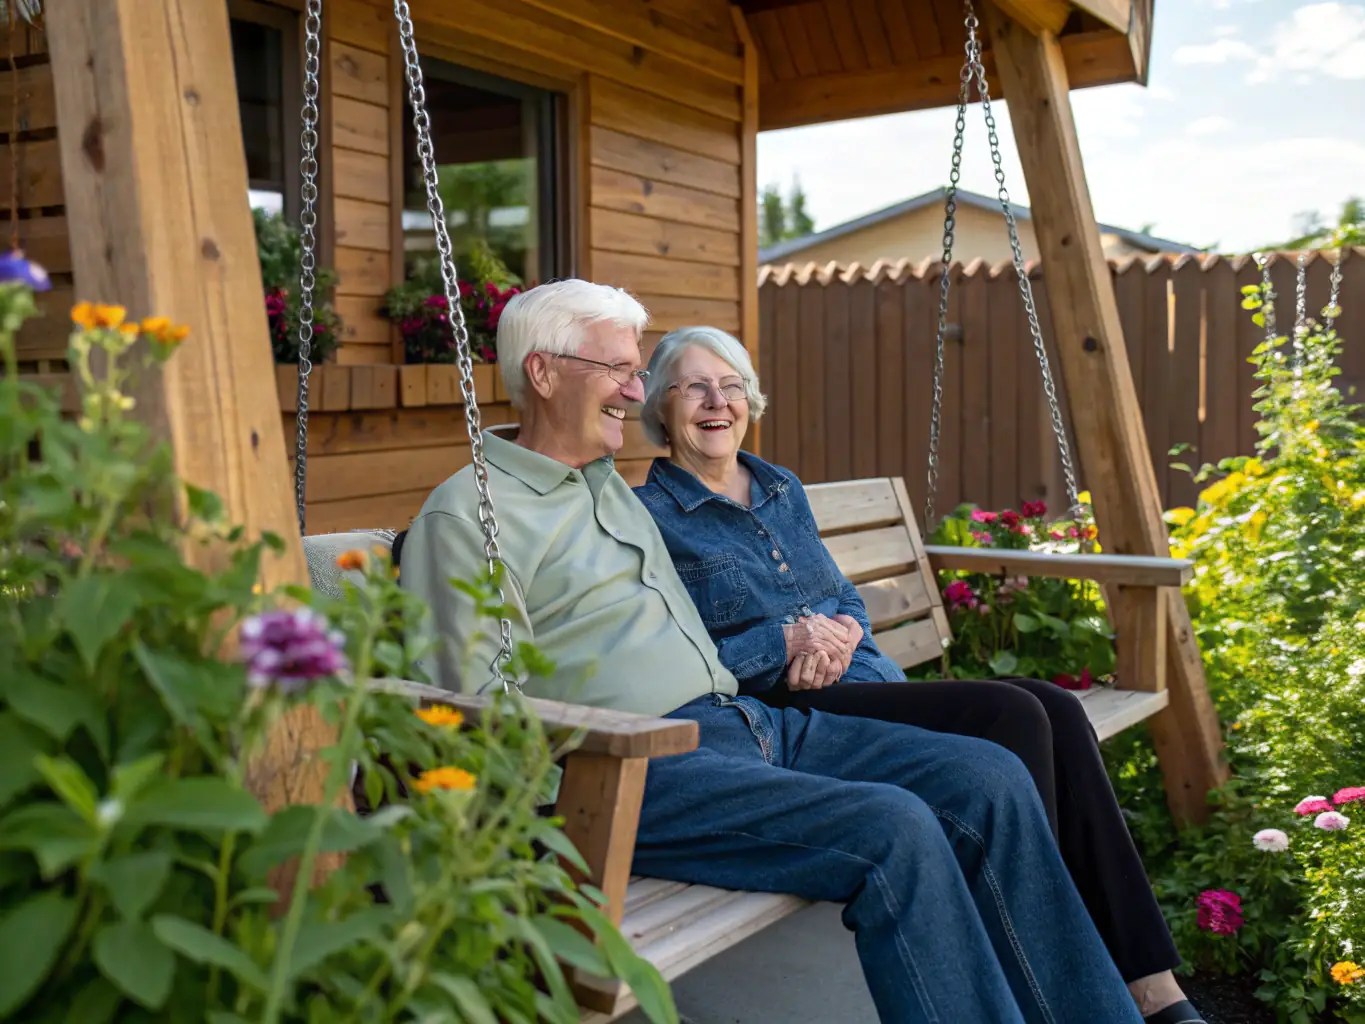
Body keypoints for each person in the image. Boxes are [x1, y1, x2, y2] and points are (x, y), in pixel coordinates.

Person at [399, 279, 1144, 1024]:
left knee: (990, 776)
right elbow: (472, 715)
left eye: (636, 370)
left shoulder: (603, 485)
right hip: (627, 770)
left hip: (746, 725)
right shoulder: (470, 517)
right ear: (543, 371)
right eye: (620, 370)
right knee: (896, 828)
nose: (634, 387)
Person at [631, 323, 1206, 1024]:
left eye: (729, 385)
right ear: (660, 406)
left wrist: (841, 632)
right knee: (1014, 716)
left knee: (1053, 705)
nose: (714, 401)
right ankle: (1035, 955)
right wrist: (781, 643)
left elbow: (839, 595)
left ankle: (1152, 986)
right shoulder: (650, 517)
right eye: (693, 387)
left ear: (750, 399)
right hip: (792, 709)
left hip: (863, 680)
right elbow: (682, 651)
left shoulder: (779, 488)